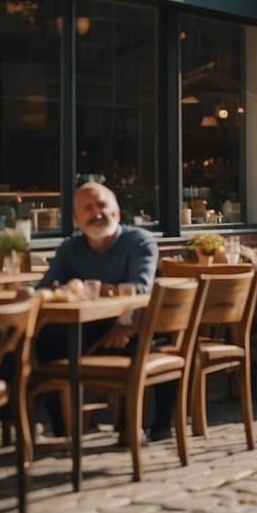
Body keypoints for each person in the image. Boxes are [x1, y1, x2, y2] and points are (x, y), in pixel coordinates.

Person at [36, 183, 162, 438]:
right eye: (88, 208)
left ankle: (134, 427)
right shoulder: (71, 247)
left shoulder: (139, 241)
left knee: (144, 343)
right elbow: (46, 287)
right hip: (91, 326)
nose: (97, 213)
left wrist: (124, 322)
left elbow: (140, 289)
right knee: (44, 341)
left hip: (135, 325)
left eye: (103, 205)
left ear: (116, 212)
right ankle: (63, 430)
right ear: (75, 218)